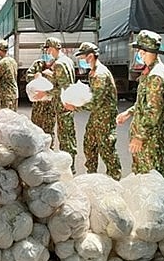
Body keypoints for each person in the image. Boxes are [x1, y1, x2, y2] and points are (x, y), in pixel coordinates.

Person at [116, 30, 164, 180]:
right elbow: (144, 102)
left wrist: (140, 137)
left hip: (150, 137)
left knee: (153, 176)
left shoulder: (156, 76)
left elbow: (153, 110)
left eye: (141, 51)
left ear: (150, 52)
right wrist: (129, 112)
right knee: (142, 174)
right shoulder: (150, 72)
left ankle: (161, 203)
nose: (139, 54)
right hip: (147, 135)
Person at [66, 42, 122, 179]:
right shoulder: (93, 72)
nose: (81, 61)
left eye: (82, 57)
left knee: (106, 148)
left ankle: (115, 177)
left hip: (105, 117)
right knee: (89, 145)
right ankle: (92, 176)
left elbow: (96, 102)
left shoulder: (100, 74)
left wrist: (75, 106)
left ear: (90, 56)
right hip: (97, 115)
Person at [38, 37, 77, 168]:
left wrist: (45, 93)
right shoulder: (68, 61)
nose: (48, 52)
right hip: (68, 103)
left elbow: (62, 87)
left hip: (63, 105)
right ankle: (70, 165)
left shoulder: (60, 63)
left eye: (48, 49)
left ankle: (69, 167)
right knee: (68, 136)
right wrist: (51, 74)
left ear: (54, 48)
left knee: (66, 139)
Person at [25, 48, 55, 139]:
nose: (47, 54)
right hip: (37, 103)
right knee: (36, 128)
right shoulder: (38, 64)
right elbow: (27, 76)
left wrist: (52, 75)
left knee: (49, 130)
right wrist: (35, 76)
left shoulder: (57, 65)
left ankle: (50, 149)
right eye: (45, 52)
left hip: (50, 104)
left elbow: (60, 84)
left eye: (49, 52)